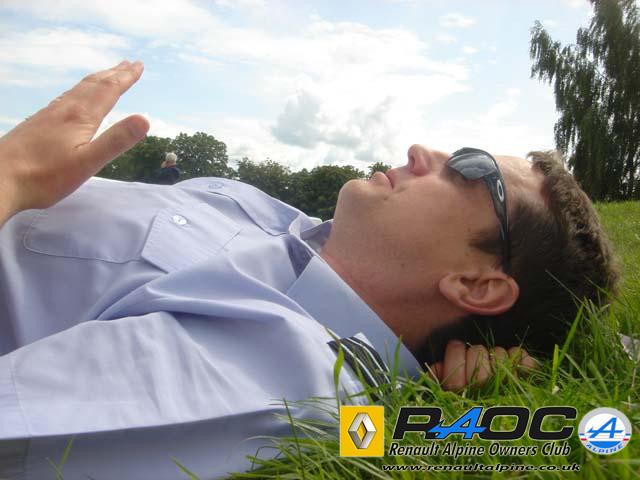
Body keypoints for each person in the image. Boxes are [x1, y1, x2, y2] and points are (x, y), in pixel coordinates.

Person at [0, 61, 619, 479]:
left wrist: (11, 176)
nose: (422, 151)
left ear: (477, 284)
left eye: (471, 169)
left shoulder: (279, 371)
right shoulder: (295, 227)